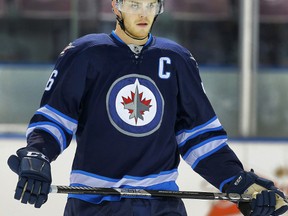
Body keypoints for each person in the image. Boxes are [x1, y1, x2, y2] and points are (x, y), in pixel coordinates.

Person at [7, 0, 288, 215]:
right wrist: (38, 155)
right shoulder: (85, 54)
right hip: (94, 203)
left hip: (161, 205)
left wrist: (237, 182)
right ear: (116, 5)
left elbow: (199, 138)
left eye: (150, 4)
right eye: (134, 4)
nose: (143, 13)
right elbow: (56, 118)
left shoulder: (177, 59)